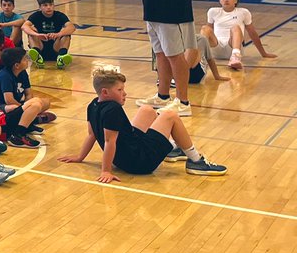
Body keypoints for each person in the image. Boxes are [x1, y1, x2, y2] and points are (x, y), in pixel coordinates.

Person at [59, 66, 227, 179]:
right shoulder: (113, 109)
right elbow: (110, 142)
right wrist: (106, 171)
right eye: (119, 90)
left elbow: (92, 135)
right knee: (170, 115)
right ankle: (196, 161)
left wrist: (80, 157)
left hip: (128, 155)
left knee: (147, 110)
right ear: (105, 92)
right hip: (139, 163)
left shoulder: (93, 105)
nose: (124, 94)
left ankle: (172, 150)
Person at [197, 0, 275, 75]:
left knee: (235, 27)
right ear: (220, 0)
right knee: (205, 28)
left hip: (233, 46)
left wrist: (263, 53)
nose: (226, 0)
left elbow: (252, 33)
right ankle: (199, 58)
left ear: (235, 0)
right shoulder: (213, 11)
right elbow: (207, 33)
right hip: (216, 47)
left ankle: (235, 57)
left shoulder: (243, 12)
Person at [0, 47, 51, 148]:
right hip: (3, 108)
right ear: (17, 65)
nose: (28, 60)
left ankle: (28, 120)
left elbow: (29, 93)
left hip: (18, 104)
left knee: (45, 102)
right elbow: (9, 100)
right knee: (34, 105)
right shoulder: (5, 76)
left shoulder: (22, 72)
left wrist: (28, 106)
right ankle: (19, 133)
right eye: (25, 59)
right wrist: (26, 108)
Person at [23, 0, 75, 69]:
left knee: (66, 33)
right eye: (45, 5)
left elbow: (72, 27)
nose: (49, 7)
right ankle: (37, 56)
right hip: (41, 47)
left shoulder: (59, 15)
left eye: (51, 4)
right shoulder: (36, 15)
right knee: (31, 32)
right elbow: (24, 26)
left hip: (56, 48)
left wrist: (58, 34)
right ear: (40, 7)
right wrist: (37, 35)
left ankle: (61, 57)